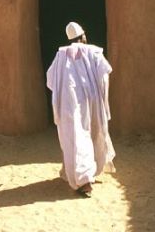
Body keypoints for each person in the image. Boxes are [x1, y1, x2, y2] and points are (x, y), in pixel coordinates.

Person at [46, 21, 115, 198]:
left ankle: (82, 175)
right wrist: (100, 95)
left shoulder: (61, 55)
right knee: (93, 134)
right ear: (83, 36)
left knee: (74, 137)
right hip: (90, 102)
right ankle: (85, 181)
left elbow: (50, 78)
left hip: (70, 104)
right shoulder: (94, 51)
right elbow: (105, 73)